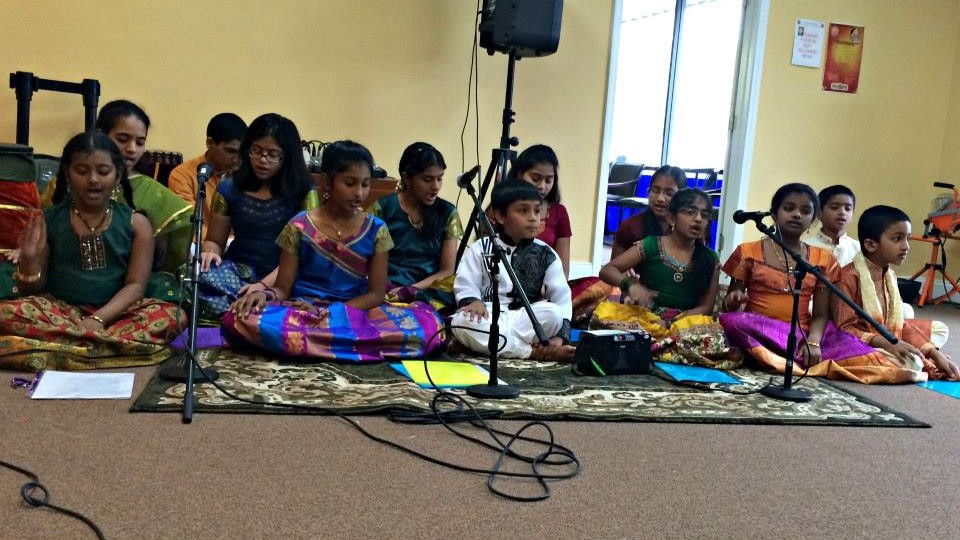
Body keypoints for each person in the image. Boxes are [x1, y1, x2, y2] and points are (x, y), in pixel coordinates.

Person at [222, 140, 444, 361]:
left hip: (353, 311)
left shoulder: (377, 229)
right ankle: (347, 345)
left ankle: (308, 344)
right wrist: (263, 295)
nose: (359, 193)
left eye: (365, 184)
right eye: (350, 183)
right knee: (238, 317)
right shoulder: (299, 226)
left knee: (429, 327)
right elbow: (282, 288)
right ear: (327, 182)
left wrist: (331, 312)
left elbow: (376, 295)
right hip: (304, 310)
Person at [0, 133, 183, 371]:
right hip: (60, 312)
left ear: (118, 175)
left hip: (117, 314)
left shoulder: (137, 223)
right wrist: (29, 263)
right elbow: (33, 289)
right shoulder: (48, 220)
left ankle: (67, 347)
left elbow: (135, 286)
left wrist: (98, 319)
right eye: (82, 171)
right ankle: (106, 348)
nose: (93, 179)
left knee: (172, 316)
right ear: (67, 174)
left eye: (103, 171)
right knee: (7, 313)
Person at [719, 183, 904, 384]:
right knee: (732, 321)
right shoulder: (747, 252)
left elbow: (821, 314)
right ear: (774, 213)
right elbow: (729, 306)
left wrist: (814, 341)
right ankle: (791, 356)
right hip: (758, 328)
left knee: (864, 354)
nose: (797, 215)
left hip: (802, 333)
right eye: (789, 208)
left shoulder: (822, 259)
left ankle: (782, 355)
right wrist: (733, 301)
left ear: (814, 218)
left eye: (805, 211)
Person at [40, 100, 194, 277]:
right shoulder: (65, 184)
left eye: (140, 142)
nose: (132, 149)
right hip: (62, 277)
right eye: (123, 139)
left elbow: (170, 255)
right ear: (100, 135)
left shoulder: (153, 193)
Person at [197, 113, 318, 318]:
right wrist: (210, 253)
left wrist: (262, 286)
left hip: (284, 277)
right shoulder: (228, 188)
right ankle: (251, 309)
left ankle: (248, 307)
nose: (263, 160)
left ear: (287, 157)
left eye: (273, 154)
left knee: (306, 295)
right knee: (192, 274)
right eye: (256, 151)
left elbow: (305, 253)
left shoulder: (304, 192)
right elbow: (215, 241)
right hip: (237, 273)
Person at [596, 189, 734, 367]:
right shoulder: (651, 244)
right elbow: (608, 270)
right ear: (671, 218)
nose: (698, 219)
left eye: (705, 215)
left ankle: (656, 346)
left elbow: (706, 307)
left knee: (714, 336)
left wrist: (671, 322)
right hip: (648, 318)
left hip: (685, 324)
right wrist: (630, 285)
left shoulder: (710, 258)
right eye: (690, 212)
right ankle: (664, 348)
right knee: (606, 317)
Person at [452, 180, 574, 361]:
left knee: (553, 314)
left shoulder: (546, 254)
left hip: (527, 318)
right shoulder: (481, 247)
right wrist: (474, 301)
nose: (533, 218)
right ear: (500, 216)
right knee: (461, 322)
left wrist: (560, 338)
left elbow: (562, 299)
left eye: (536, 211)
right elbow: (466, 283)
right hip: (488, 314)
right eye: (523, 211)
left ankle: (487, 345)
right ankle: (532, 352)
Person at [834, 205, 958, 380]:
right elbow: (844, 329)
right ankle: (905, 358)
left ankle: (910, 354)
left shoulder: (889, 274)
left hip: (888, 335)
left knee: (940, 329)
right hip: (857, 342)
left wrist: (933, 353)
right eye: (897, 239)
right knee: (911, 363)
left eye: (908, 239)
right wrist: (886, 343)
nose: (906, 246)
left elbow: (897, 324)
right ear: (870, 245)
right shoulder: (849, 277)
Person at [369, 142, 462, 311]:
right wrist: (390, 289)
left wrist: (411, 290)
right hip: (386, 288)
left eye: (440, 178)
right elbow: (368, 260)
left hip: (428, 291)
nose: (435, 187)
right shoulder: (383, 209)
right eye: (427, 179)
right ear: (407, 178)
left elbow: (447, 270)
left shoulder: (447, 212)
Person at [167, 113, 247, 238]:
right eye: (231, 151)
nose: (236, 159)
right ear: (210, 143)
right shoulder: (182, 175)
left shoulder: (246, 176)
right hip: (201, 243)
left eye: (241, 152)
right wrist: (215, 243)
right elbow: (189, 222)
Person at [507, 144, 570, 276]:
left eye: (548, 180)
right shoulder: (502, 208)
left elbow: (563, 271)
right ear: (519, 174)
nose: (542, 186)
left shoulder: (559, 212)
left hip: (545, 284)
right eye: (535, 179)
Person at [611, 165, 688, 259]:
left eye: (669, 194)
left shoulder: (689, 230)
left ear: (681, 198)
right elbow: (613, 265)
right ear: (648, 192)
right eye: (655, 191)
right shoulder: (630, 227)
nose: (660, 199)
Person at [803, 185, 859, 266]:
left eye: (847, 209)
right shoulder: (806, 247)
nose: (842, 212)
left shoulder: (859, 249)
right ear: (819, 213)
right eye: (834, 207)